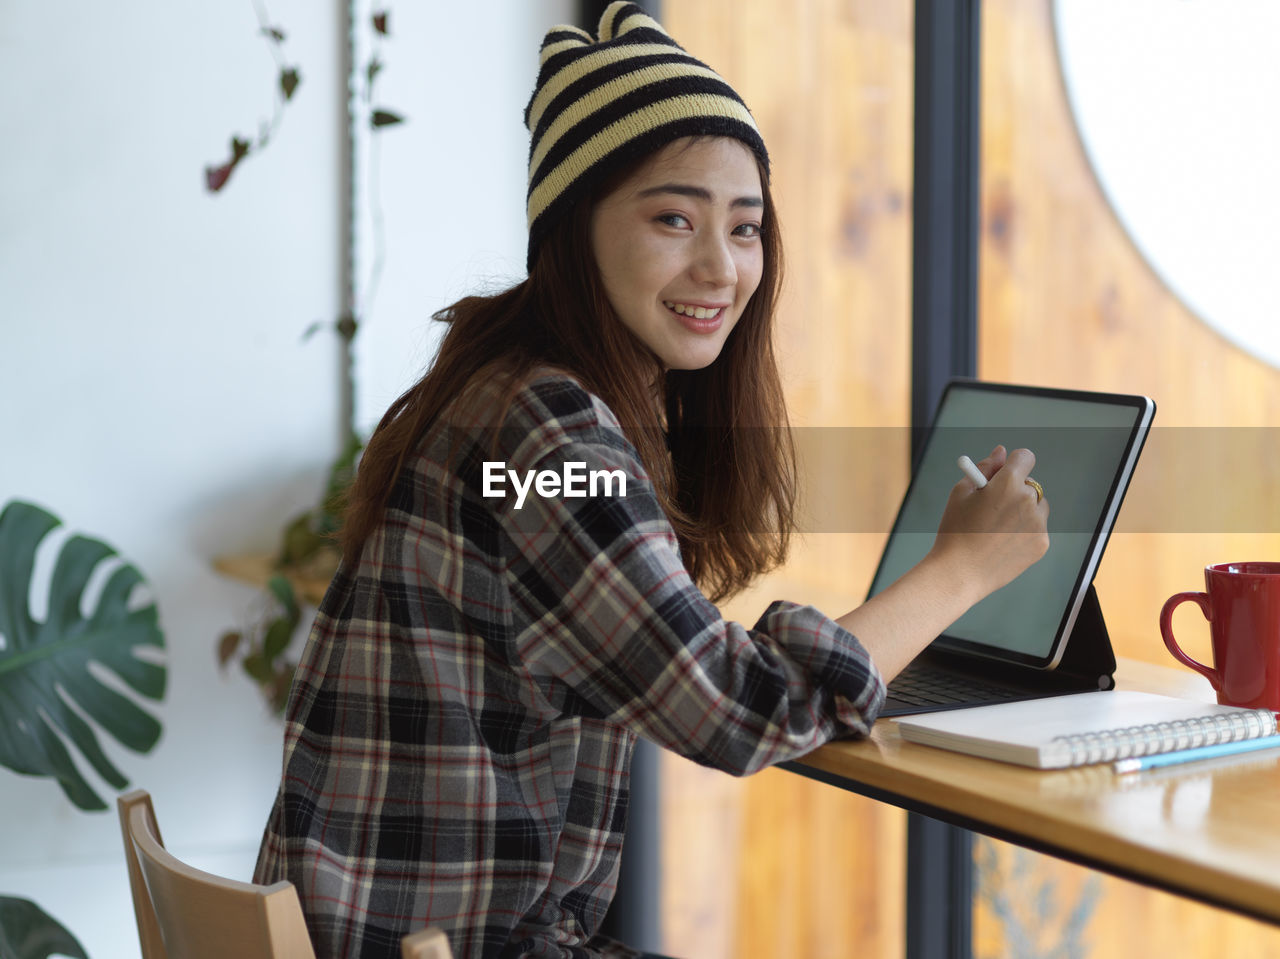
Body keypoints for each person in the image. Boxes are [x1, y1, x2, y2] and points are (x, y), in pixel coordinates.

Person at [253, 4, 1049, 958]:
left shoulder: (500, 393)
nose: (721, 266)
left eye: (746, 228)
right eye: (674, 217)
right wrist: (960, 570)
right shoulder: (551, 438)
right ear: (573, 226)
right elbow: (740, 712)